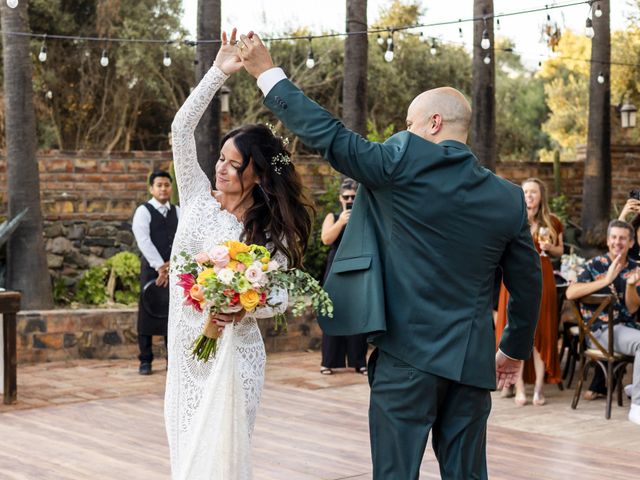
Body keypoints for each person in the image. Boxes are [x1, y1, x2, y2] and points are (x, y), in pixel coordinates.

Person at [239, 33, 541, 479]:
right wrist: (513, 350)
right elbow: (528, 285)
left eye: (410, 124)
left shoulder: (402, 162)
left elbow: (331, 137)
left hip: (406, 359)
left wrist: (268, 74)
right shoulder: (508, 198)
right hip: (470, 364)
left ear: (433, 123)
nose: (404, 133)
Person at [164, 29, 312, 479]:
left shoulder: (269, 232)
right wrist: (216, 73)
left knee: (224, 459)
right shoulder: (194, 198)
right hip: (185, 356)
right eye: (221, 158)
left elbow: (281, 298)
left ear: (257, 174)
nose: (221, 167)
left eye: (234, 163)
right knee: (186, 457)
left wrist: (244, 304)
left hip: (235, 357)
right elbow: (179, 129)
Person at [495, 178, 563, 406]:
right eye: (526, 192)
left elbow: (560, 251)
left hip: (543, 276)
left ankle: (539, 389)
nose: (530, 196)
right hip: (513, 277)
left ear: (541, 196)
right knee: (515, 329)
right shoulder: (512, 219)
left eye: (534, 192)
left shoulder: (552, 222)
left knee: (540, 332)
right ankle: (518, 386)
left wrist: (550, 248)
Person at [565, 219, 640, 425]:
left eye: (623, 238)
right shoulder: (594, 265)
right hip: (601, 331)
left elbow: (633, 309)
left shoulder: (636, 269)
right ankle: (637, 406)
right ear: (608, 241)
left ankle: (636, 386)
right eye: (614, 237)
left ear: (631, 243)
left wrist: (632, 286)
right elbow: (571, 292)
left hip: (627, 330)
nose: (618, 242)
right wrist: (605, 281)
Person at [132, 170, 179, 375]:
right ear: (152, 188)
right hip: (152, 271)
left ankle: (172, 359)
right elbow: (143, 240)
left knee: (173, 313)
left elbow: (183, 239)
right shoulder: (144, 211)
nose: (163, 188)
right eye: (159, 185)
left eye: (167, 185)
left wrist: (171, 267)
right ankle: (146, 360)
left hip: (176, 270)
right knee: (147, 314)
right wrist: (160, 266)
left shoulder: (178, 211)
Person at [320, 178, 368, 375]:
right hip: (335, 269)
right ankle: (329, 361)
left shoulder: (365, 216)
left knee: (359, 315)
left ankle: (359, 361)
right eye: (346, 197)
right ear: (340, 198)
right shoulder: (333, 216)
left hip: (358, 268)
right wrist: (341, 222)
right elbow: (326, 239)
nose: (350, 200)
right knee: (332, 313)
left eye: (354, 197)